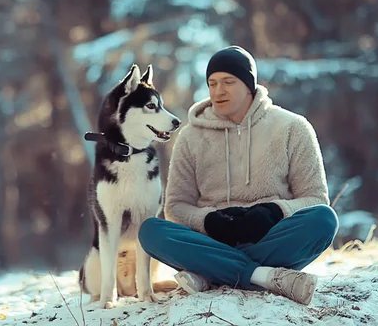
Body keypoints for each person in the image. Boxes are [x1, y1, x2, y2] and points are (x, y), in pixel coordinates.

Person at [138, 45, 339, 306]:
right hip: (210, 239)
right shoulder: (190, 136)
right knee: (151, 231)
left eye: (228, 82)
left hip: (271, 237)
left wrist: (274, 211)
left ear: (249, 85)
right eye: (212, 83)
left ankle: (210, 273)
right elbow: (176, 207)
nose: (218, 91)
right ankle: (263, 275)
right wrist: (209, 220)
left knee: (324, 220)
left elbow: (314, 199)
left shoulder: (293, 127)